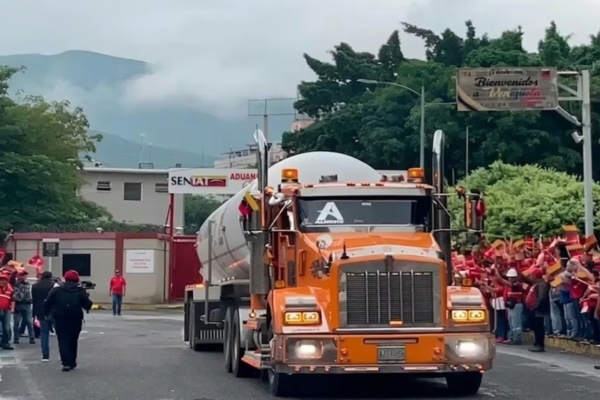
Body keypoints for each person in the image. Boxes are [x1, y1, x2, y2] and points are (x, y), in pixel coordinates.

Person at [44, 270, 93, 371]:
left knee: (62, 339)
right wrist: (87, 297)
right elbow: (87, 305)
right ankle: (72, 361)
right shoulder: (80, 291)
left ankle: (65, 362)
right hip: (75, 318)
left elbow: (47, 302)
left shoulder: (57, 290)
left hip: (60, 318)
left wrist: (47, 313)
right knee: (73, 339)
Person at [32, 271, 55, 361]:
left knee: (44, 333)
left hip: (41, 312)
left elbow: (34, 300)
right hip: (53, 311)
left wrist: (34, 313)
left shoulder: (35, 286)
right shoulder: (54, 286)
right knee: (61, 333)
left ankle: (45, 355)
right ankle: (65, 354)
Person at [527, 268, 550, 352]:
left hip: (539, 309)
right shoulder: (537, 284)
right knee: (536, 327)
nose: (530, 277)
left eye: (531, 275)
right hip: (535, 308)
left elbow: (541, 297)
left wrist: (535, 306)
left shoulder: (542, 284)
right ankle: (536, 343)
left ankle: (540, 344)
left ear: (535, 276)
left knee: (539, 327)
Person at [12, 270, 35, 344]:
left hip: (27, 304)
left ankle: (32, 338)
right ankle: (16, 338)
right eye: (22, 275)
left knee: (29, 322)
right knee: (16, 323)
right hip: (18, 304)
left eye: (25, 275)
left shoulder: (28, 284)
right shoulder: (15, 284)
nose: (24, 277)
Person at [0, 272, 14, 350]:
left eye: (4, 280)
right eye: (1, 280)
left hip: (6, 310)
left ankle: (5, 343)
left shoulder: (10, 289)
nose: (2, 281)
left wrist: (12, 309)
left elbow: (13, 299)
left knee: (6, 327)